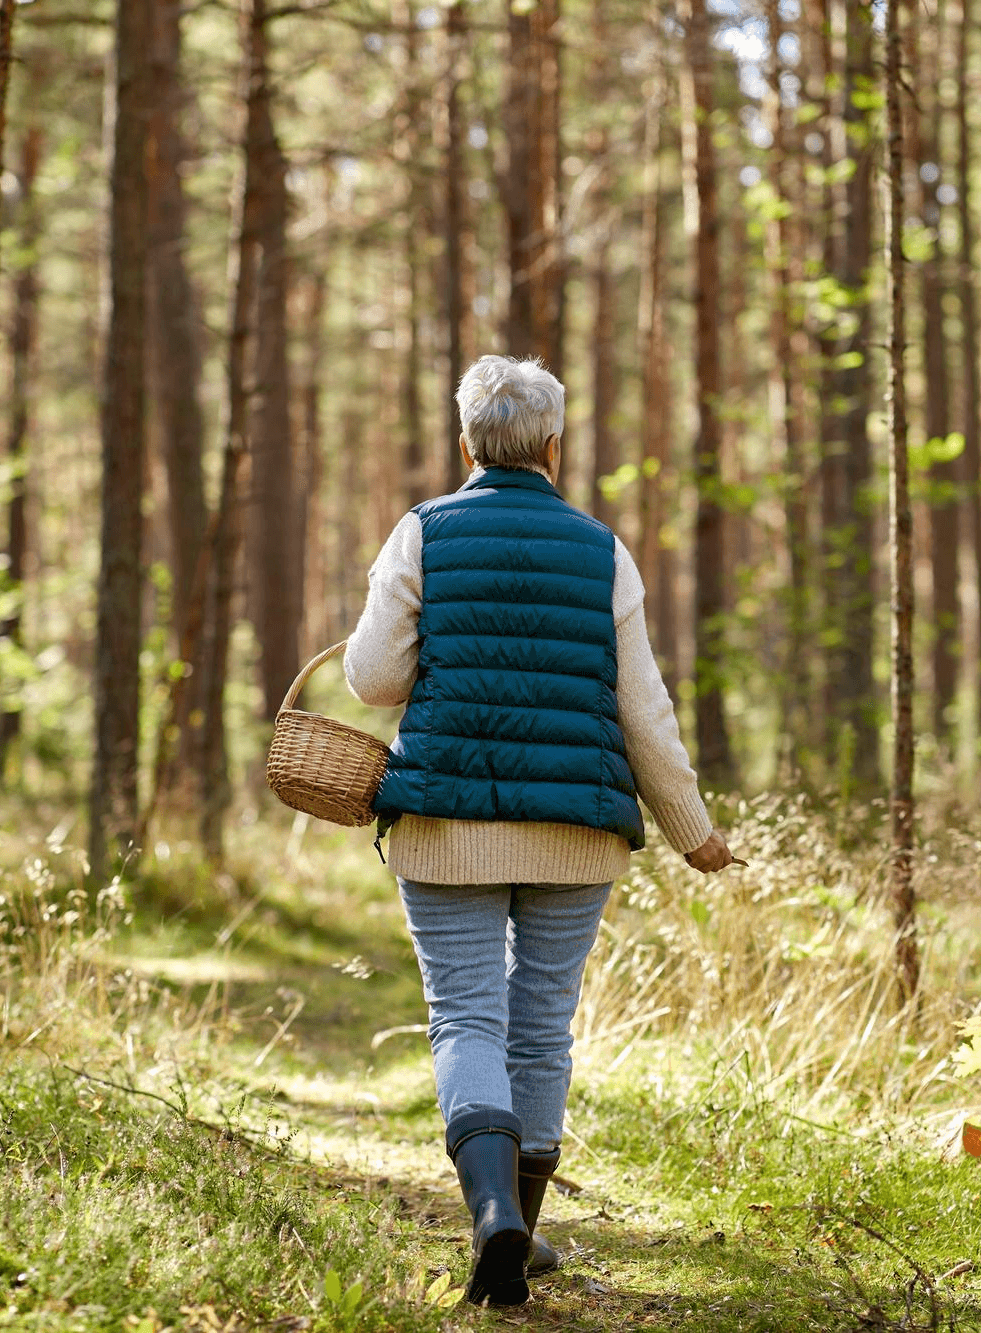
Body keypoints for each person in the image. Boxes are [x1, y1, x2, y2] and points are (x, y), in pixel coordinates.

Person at [344, 354, 737, 1306]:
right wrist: (692, 830)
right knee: (542, 1023)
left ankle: (494, 1220)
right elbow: (642, 711)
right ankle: (522, 1218)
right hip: (577, 827)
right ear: (554, 445)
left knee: (467, 1014)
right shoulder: (602, 548)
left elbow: (371, 678)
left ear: (467, 441)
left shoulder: (423, 532)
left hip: (443, 823)